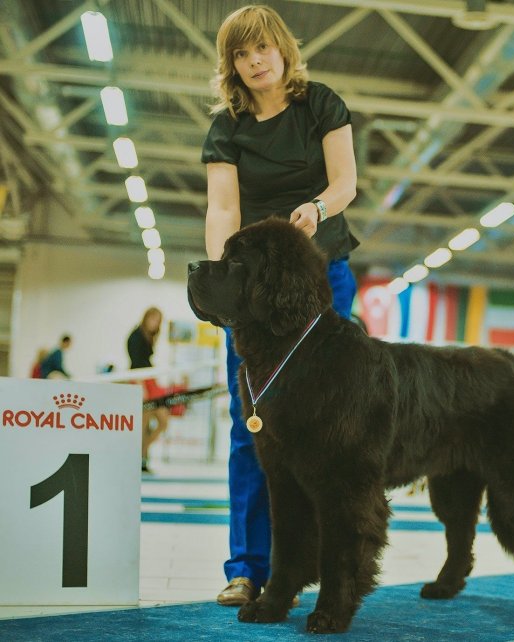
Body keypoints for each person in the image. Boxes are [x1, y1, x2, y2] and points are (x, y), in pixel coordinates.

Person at [202, 5, 358, 607]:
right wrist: (225, 281)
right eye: (242, 54)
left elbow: (345, 180)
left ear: (284, 49)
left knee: (327, 427)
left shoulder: (321, 103)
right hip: (252, 295)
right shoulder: (227, 127)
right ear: (231, 65)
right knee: (252, 427)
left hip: (325, 281)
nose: (255, 61)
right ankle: (246, 568)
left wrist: (318, 207)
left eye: (263, 48)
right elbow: (222, 209)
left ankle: (323, 564)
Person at [128, 307, 171, 473]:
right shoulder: (136, 336)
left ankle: (140, 454)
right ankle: (139, 457)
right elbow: (135, 363)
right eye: (153, 319)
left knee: (162, 422)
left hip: (150, 380)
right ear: (146, 318)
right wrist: (141, 386)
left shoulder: (148, 337)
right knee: (143, 424)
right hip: (141, 381)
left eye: (158, 321)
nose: (155, 324)